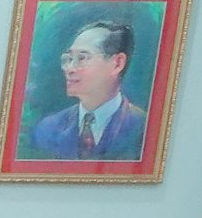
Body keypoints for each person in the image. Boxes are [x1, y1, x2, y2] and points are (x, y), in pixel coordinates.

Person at [27, 18, 148, 160]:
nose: (70, 69)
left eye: (82, 58)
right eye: (68, 59)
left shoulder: (144, 127)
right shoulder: (48, 129)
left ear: (117, 64)